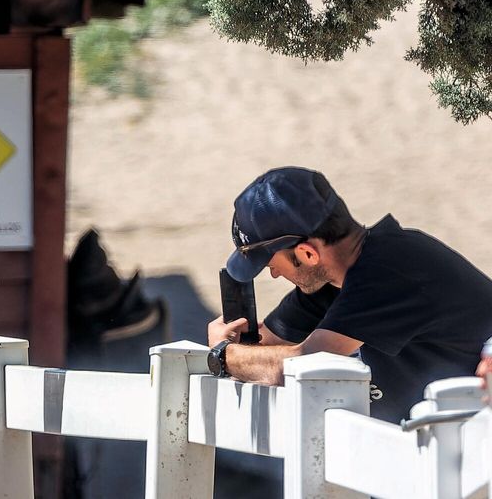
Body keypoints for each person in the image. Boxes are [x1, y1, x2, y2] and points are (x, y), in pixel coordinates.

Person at [206, 166, 492, 423]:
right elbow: (264, 348)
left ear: (307, 253)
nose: (274, 275)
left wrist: (224, 356)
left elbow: (304, 365)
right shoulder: (333, 280)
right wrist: (236, 344)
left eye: (271, 265)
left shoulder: (389, 269)